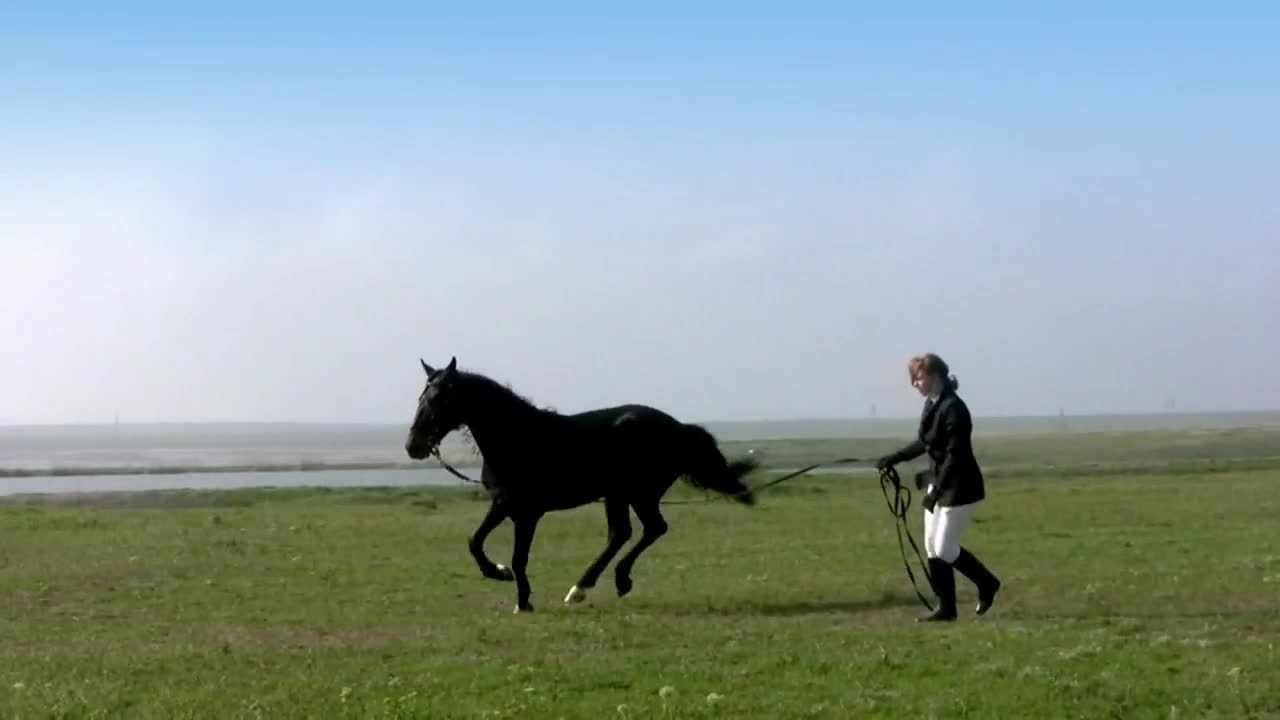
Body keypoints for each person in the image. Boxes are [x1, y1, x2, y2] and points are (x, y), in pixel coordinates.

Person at [876, 353, 1001, 622]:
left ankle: (988, 583)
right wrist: (894, 458)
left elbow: (955, 457)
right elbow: (925, 442)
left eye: (918, 378)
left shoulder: (954, 409)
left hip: (960, 487)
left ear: (935, 377)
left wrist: (935, 493)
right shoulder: (933, 404)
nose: (914, 385)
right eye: (914, 379)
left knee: (945, 548)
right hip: (939, 484)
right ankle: (946, 609)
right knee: (932, 547)